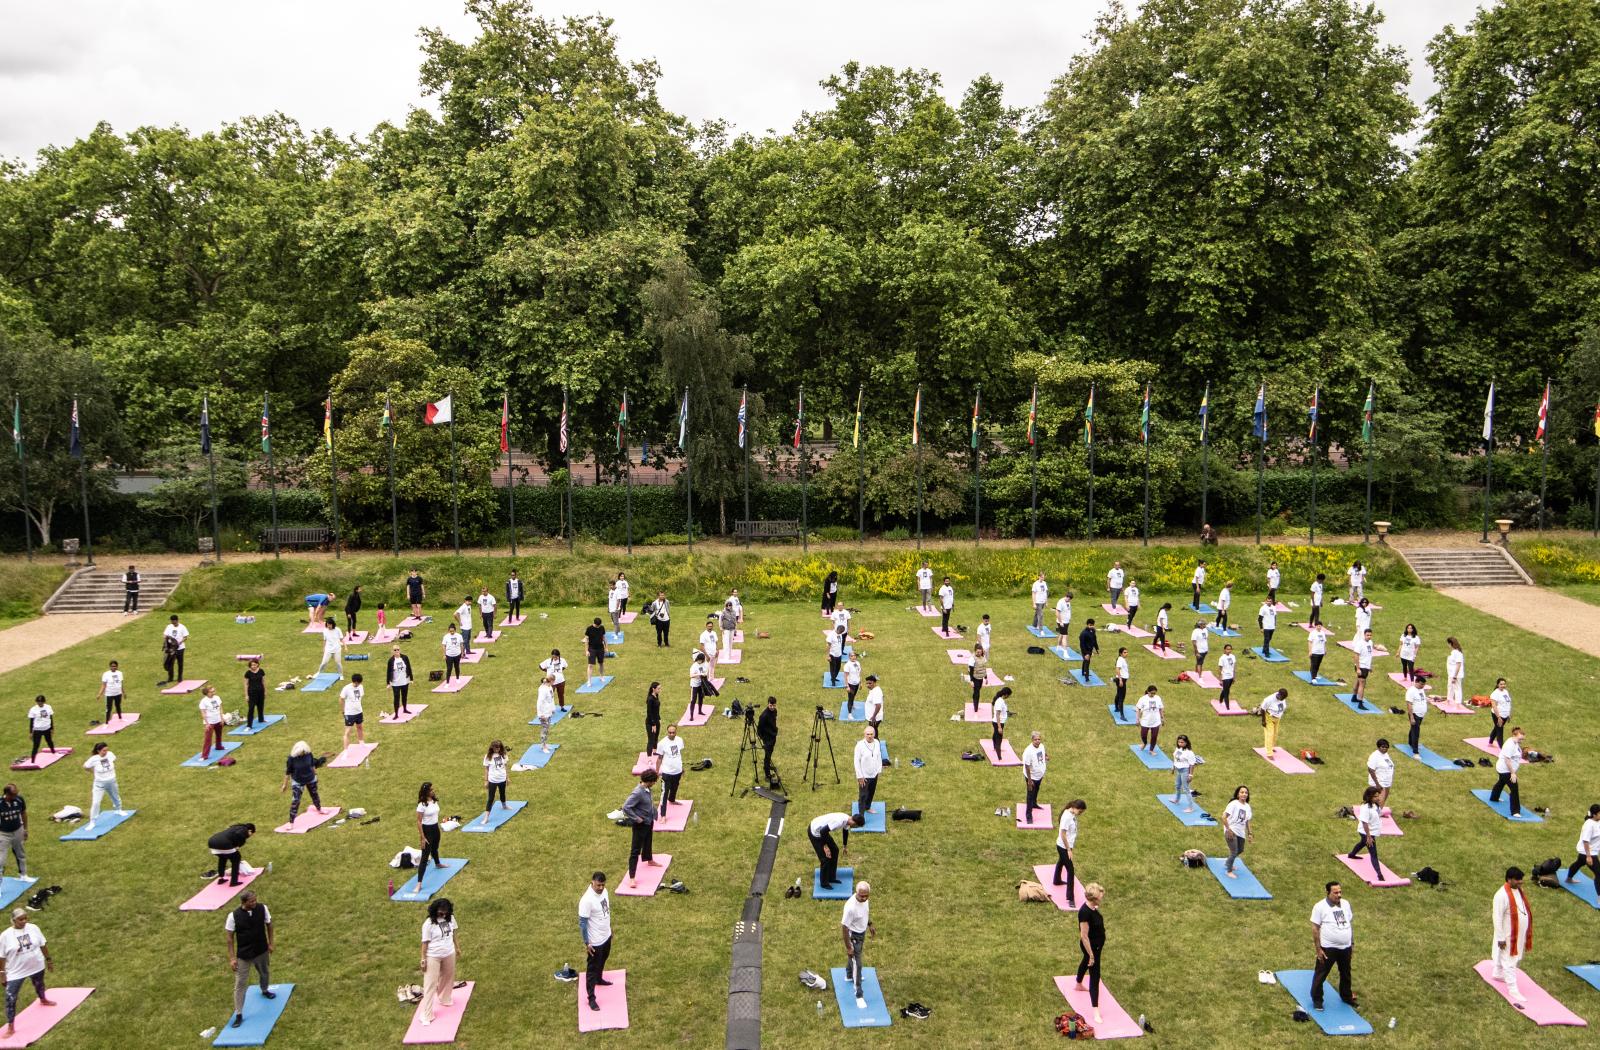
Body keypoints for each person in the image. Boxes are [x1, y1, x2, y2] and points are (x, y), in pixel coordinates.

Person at [0, 907, 54, 1038]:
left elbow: (42, 944)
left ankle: (43, 999)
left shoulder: (33, 928)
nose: (24, 921)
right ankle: (11, 1027)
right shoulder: (5, 936)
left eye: (25, 918)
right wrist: (2, 973)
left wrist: (49, 960)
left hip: (36, 965)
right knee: (10, 997)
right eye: (20, 919)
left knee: (39, 984)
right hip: (15, 972)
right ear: (13, 920)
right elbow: (1, 956)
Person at [223, 891, 272, 1030]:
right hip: (244, 954)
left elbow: (269, 924)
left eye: (255, 900)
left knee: (264, 972)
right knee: (240, 983)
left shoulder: (263, 908)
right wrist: (232, 958)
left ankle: (265, 989)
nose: (254, 903)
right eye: (251, 901)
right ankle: (238, 1013)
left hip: (261, 949)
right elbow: (229, 938)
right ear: (243, 903)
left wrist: (271, 943)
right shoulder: (233, 916)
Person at [1310, 881, 1355, 1011]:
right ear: (1328, 892)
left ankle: (1347, 997)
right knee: (1321, 974)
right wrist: (1318, 949)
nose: (1339, 895)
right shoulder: (1320, 907)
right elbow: (1315, 928)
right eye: (1335, 892)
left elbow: (1349, 925)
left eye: (1340, 892)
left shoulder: (1345, 904)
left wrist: (1351, 944)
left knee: (1346, 974)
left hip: (1345, 947)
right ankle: (1317, 1000)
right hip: (1328, 948)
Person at [1491, 867, 1532, 1002]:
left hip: (1518, 934)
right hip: (1508, 935)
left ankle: (1497, 973)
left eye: (1521, 879)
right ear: (1509, 880)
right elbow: (1497, 917)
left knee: (1510, 957)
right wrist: (1501, 938)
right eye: (1517, 880)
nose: (1521, 882)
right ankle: (1513, 990)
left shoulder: (1518, 891)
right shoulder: (1501, 895)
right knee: (1510, 961)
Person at [1072, 884, 1109, 1026]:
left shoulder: (1092, 908)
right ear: (1093, 899)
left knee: (1085, 961)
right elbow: (1084, 936)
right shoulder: (1084, 913)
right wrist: (1092, 955)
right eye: (1100, 896)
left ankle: (1078, 983)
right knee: (1095, 976)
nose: (1102, 898)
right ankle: (1096, 1011)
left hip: (1096, 946)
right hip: (1092, 948)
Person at [418, 898, 459, 1026]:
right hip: (433, 956)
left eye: (446, 913)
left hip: (449, 952)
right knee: (430, 984)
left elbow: (454, 934)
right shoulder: (428, 924)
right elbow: (424, 943)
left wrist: (457, 947)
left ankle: (444, 998)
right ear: (435, 911)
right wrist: (423, 959)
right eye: (441, 913)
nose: (444, 915)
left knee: (448, 977)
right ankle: (426, 1014)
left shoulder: (450, 918)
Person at [578, 872, 614, 1012]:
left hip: (606, 936)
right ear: (592, 882)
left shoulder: (605, 891)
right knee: (592, 970)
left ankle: (599, 979)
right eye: (598, 885)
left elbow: (606, 912)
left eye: (603, 885)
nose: (601, 887)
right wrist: (587, 943)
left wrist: (610, 929)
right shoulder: (587, 900)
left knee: (604, 958)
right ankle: (591, 998)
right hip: (595, 941)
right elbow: (583, 923)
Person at [622, 770, 660, 889]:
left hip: (648, 822)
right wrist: (637, 819)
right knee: (635, 851)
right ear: (649, 781)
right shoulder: (638, 792)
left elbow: (648, 803)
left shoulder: (647, 789)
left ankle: (649, 859)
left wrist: (654, 812)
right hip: (640, 825)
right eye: (653, 781)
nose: (654, 783)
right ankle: (632, 878)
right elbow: (626, 807)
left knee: (648, 842)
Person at [808, 811, 864, 890]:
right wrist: (825, 847)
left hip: (823, 832)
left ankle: (831, 877)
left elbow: (845, 831)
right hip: (815, 832)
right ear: (854, 822)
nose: (854, 827)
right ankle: (824, 883)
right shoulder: (838, 821)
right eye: (856, 826)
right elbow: (822, 832)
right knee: (825, 858)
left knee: (835, 850)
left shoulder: (848, 820)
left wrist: (845, 846)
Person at [841, 881, 875, 1001]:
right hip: (853, 936)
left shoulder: (865, 900)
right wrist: (849, 947)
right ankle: (858, 993)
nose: (864, 898)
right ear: (857, 892)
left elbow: (865, 912)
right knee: (858, 965)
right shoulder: (851, 908)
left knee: (854, 959)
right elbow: (844, 928)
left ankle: (849, 975)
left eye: (866, 895)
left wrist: (869, 924)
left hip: (861, 933)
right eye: (861, 896)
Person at [281, 741, 324, 825]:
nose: (302, 754)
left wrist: (316, 775)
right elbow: (288, 772)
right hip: (298, 781)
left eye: (303, 752)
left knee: (314, 794)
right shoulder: (291, 759)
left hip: (310, 778)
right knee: (296, 801)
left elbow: (312, 766)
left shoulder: (308, 754)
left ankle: (319, 809)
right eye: (300, 752)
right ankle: (291, 822)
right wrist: (284, 785)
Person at [414, 783, 445, 894]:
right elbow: (418, 821)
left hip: (435, 828)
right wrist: (422, 837)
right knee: (425, 856)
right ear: (426, 792)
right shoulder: (422, 805)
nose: (433, 791)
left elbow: (434, 814)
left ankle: (437, 863)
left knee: (435, 848)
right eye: (431, 790)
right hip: (427, 831)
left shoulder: (434, 801)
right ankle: (419, 884)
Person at [82, 743, 123, 824]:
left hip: (112, 781)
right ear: (98, 751)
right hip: (99, 784)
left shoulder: (110, 754)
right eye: (104, 750)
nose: (106, 752)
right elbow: (85, 766)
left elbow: (113, 760)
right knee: (96, 802)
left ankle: (118, 810)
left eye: (107, 750)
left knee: (115, 797)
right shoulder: (94, 759)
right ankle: (92, 821)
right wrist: (93, 772)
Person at [1348, 786, 1383, 880]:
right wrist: (1368, 837)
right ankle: (1380, 875)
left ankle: (1351, 854)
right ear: (1369, 796)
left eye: (1378, 796)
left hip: (1371, 832)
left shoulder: (1375, 804)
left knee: (1362, 843)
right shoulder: (1366, 808)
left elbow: (1378, 813)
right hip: (1366, 833)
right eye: (1375, 796)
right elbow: (1364, 822)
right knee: (1373, 854)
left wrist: (1378, 804)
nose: (1378, 798)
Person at [1054, 799, 1086, 900]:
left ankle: (1057, 880)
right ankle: (1070, 897)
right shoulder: (1067, 817)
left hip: (1066, 846)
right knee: (1070, 870)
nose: (1080, 814)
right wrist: (1068, 849)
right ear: (1075, 807)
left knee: (1061, 861)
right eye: (1080, 811)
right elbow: (1062, 834)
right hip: (1063, 847)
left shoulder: (1070, 812)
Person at [1489, 726, 1525, 816]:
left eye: (1522, 739)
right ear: (1514, 735)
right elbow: (1507, 760)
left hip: (1502, 769)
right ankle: (1515, 811)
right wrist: (1512, 773)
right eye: (1520, 739)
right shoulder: (1510, 745)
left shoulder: (1514, 741)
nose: (1521, 741)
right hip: (1505, 770)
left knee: (1501, 782)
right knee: (1514, 789)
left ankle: (1494, 797)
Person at [1222, 785, 1252, 878]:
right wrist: (1228, 829)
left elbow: (1247, 821)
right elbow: (1223, 817)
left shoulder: (1247, 807)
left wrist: (1250, 833)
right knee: (1234, 852)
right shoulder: (1233, 804)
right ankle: (1229, 871)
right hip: (1231, 830)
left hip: (1241, 832)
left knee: (1240, 850)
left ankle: (1228, 863)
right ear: (1238, 794)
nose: (1244, 794)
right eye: (1242, 792)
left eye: (1246, 792)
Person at [1565, 804, 1600, 885]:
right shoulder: (1589, 825)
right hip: (1588, 852)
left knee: (1578, 863)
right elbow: (1585, 841)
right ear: (1594, 815)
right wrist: (1588, 856)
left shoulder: (1597, 820)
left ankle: (1569, 879)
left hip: (1590, 851)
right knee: (1598, 874)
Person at [655, 724, 686, 811]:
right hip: (667, 772)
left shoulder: (680, 740)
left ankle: (672, 800)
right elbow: (659, 758)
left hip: (677, 771)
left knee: (675, 787)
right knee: (664, 793)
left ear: (676, 732)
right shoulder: (662, 743)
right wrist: (657, 772)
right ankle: (663, 814)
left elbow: (678, 755)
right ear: (667, 732)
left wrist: (681, 767)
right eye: (670, 732)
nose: (671, 734)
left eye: (673, 732)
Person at [854, 726, 883, 815]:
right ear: (864, 735)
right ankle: (861, 815)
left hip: (874, 774)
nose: (870, 736)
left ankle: (867, 807)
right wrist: (860, 776)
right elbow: (856, 761)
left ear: (874, 734)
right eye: (868, 734)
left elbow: (879, 756)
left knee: (871, 792)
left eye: (871, 734)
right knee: (863, 795)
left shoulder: (877, 742)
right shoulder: (859, 745)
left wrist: (879, 770)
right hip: (864, 776)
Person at [1021, 731, 1047, 823]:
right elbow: (1027, 766)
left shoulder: (1042, 746)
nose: (1037, 741)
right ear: (1032, 740)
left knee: (1036, 790)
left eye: (1039, 739)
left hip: (1039, 775)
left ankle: (1034, 804)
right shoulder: (1028, 751)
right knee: (1030, 795)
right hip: (1031, 777)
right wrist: (1029, 780)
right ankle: (1029, 816)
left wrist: (1046, 756)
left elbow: (1043, 753)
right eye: (1035, 739)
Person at [528, 674, 556, 753]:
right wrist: (540, 714)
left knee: (547, 729)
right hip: (544, 713)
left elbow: (551, 698)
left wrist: (553, 708)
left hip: (548, 712)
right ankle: (543, 746)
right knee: (544, 730)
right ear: (551, 681)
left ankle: (545, 744)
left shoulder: (549, 687)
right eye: (554, 681)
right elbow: (539, 702)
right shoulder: (543, 690)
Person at [0, 788, 24, 878]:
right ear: (7, 794)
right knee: (1, 859)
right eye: (14, 794)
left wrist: (25, 829)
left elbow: (23, 813)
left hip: (17, 830)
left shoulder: (19, 799)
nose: (16, 796)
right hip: (3, 834)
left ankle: (23, 875)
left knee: (20, 854)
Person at [339, 674, 366, 751]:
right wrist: (343, 711)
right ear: (355, 682)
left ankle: (362, 744)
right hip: (349, 714)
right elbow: (341, 699)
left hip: (359, 712)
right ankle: (345, 751)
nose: (359, 684)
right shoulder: (346, 688)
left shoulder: (361, 687)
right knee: (347, 732)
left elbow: (360, 697)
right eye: (358, 683)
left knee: (360, 727)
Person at [1172, 735, 1198, 811]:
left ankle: (1191, 807)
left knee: (1186, 788)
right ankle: (1176, 800)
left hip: (1185, 770)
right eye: (1179, 742)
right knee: (1177, 785)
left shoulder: (1189, 753)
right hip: (1178, 770)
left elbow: (1192, 764)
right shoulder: (1178, 748)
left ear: (1186, 743)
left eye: (1182, 742)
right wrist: (1173, 767)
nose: (1180, 743)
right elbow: (1175, 758)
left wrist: (1190, 775)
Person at [24, 696, 54, 764]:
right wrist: (31, 732)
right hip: (38, 730)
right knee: (36, 745)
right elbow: (31, 721)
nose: (39, 703)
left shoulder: (48, 707)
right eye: (38, 702)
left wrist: (52, 728)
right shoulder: (33, 709)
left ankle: (53, 752)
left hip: (47, 728)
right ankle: (32, 761)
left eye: (41, 702)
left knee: (49, 741)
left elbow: (51, 718)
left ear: (44, 701)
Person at [1366, 739, 1394, 811]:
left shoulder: (1386, 755)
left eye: (1386, 747)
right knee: (1379, 801)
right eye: (1383, 747)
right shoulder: (1375, 756)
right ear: (1378, 747)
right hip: (1379, 782)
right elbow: (1370, 770)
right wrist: (1377, 784)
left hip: (1386, 782)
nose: (1385, 749)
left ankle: (1377, 814)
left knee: (1382, 801)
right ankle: (1374, 816)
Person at [198, 685, 224, 760]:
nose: (214, 693)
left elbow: (220, 708)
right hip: (210, 722)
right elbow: (203, 713)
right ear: (207, 693)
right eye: (212, 692)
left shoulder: (217, 697)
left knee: (219, 734)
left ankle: (219, 746)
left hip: (218, 720)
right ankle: (204, 755)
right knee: (208, 739)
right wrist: (207, 723)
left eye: (214, 691)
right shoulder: (203, 701)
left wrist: (222, 718)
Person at [386, 646, 413, 717]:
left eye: (398, 649)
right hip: (395, 683)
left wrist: (411, 679)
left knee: (404, 696)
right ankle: (396, 714)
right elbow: (388, 672)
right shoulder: (391, 660)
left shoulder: (405, 657)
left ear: (400, 650)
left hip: (405, 681)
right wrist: (388, 683)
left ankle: (405, 709)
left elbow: (409, 667)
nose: (397, 651)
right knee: (396, 698)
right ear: (392, 651)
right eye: (395, 650)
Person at [1351, 628, 1376, 707]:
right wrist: (1358, 668)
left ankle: (1354, 697)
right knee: (1362, 684)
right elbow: (1356, 656)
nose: (1369, 636)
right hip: (1361, 666)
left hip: (1366, 666)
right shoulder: (1360, 643)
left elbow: (1369, 655)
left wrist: (1370, 666)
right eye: (1367, 635)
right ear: (1364, 635)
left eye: (1370, 635)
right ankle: (1360, 703)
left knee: (1358, 681)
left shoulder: (1370, 643)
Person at [1135, 686, 1163, 753]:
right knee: (1143, 735)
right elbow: (1138, 709)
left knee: (1154, 736)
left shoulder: (1158, 698)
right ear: (1148, 692)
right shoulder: (1143, 699)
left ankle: (1151, 750)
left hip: (1156, 721)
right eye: (1151, 693)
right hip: (1145, 721)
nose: (1153, 695)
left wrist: (1162, 718)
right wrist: (1137, 719)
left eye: (1154, 693)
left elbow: (1161, 708)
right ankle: (1144, 743)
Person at [757, 699, 778, 785]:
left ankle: (768, 767)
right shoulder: (763, 716)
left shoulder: (775, 711)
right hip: (767, 739)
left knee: (770, 754)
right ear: (768, 704)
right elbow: (759, 729)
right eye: (770, 705)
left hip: (773, 736)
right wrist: (763, 739)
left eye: (773, 705)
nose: (772, 707)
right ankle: (767, 774)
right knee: (767, 756)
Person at [162, 614, 189, 683]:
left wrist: (179, 643)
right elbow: (165, 635)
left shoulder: (182, 627)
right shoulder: (169, 626)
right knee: (170, 663)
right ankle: (170, 678)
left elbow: (185, 637)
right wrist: (166, 639)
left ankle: (180, 677)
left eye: (174, 622)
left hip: (180, 648)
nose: (173, 623)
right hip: (171, 649)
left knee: (180, 663)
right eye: (172, 622)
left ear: (177, 620)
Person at [97, 659, 125, 724]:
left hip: (118, 693)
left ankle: (120, 718)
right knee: (108, 708)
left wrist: (123, 692)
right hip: (109, 694)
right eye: (112, 666)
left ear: (117, 666)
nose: (113, 667)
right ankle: (106, 722)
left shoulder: (120, 673)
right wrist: (99, 694)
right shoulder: (106, 674)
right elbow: (103, 685)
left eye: (115, 666)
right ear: (110, 667)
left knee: (118, 706)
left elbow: (121, 684)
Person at [483, 741, 509, 813]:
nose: (497, 750)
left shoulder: (504, 755)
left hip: (502, 779)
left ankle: (504, 806)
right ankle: (486, 816)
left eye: (498, 748)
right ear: (492, 748)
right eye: (495, 748)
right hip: (492, 780)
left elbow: (505, 767)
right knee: (491, 798)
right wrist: (486, 781)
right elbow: (486, 769)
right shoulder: (488, 756)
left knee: (502, 794)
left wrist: (507, 778)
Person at [1405, 673, 1428, 753]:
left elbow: (1422, 699)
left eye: (1424, 684)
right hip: (1415, 714)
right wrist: (1411, 717)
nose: (1423, 686)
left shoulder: (1421, 689)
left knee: (1413, 729)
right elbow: (1409, 704)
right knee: (1416, 732)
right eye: (1421, 684)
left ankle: (1410, 742)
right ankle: (1415, 751)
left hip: (1421, 714)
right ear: (1416, 682)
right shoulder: (1411, 691)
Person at [1260, 688, 1288, 753]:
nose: (1283, 699)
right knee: (1270, 735)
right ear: (1279, 695)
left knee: (1275, 734)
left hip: (1277, 719)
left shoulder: (1282, 697)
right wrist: (1263, 721)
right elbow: (1262, 709)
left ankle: (1271, 747)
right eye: (1283, 698)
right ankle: (1269, 753)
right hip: (1269, 718)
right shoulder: (1269, 699)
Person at [243, 657, 267, 729]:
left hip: (260, 692)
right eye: (252, 665)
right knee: (251, 708)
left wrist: (265, 691)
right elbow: (246, 684)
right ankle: (249, 725)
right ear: (250, 666)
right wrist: (246, 695)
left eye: (255, 665)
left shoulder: (261, 671)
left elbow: (263, 682)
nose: (253, 666)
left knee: (260, 706)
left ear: (257, 664)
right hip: (252, 693)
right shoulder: (248, 673)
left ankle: (261, 719)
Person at [1488, 678, 1512, 748]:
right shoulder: (1495, 694)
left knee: (1497, 728)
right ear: (1498, 684)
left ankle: (1490, 741)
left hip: (1505, 715)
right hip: (1497, 715)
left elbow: (1508, 703)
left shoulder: (1505, 691)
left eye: (1504, 684)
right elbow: (1494, 706)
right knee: (1500, 731)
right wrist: (1498, 717)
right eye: (1501, 684)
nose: (1503, 685)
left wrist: (1508, 714)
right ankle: (1502, 748)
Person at [584, 618, 607, 683]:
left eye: (599, 625)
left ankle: (602, 677)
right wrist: (586, 650)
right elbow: (586, 640)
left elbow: (604, 638)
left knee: (601, 663)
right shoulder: (589, 629)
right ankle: (589, 680)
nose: (598, 626)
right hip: (592, 649)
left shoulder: (602, 627)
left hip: (600, 648)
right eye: (597, 626)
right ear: (594, 623)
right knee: (590, 665)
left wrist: (606, 647)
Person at [1445, 638, 1465, 709]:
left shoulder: (1458, 653)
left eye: (1448, 643)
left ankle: (1458, 704)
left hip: (1456, 675)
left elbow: (1458, 665)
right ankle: (1448, 700)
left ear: (1451, 644)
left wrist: (1455, 676)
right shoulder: (1453, 652)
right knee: (1450, 686)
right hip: (1451, 674)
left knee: (1457, 688)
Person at [689, 652, 710, 719]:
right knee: (693, 700)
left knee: (701, 698)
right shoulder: (694, 666)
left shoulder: (705, 664)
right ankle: (691, 716)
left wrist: (704, 675)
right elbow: (691, 675)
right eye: (698, 660)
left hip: (701, 684)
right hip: (694, 685)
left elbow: (706, 672)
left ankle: (700, 711)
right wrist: (698, 675)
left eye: (700, 660)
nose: (699, 661)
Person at [969, 645, 990, 711]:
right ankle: (976, 708)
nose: (979, 653)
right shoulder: (972, 659)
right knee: (977, 693)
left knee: (976, 691)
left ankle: (974, 701)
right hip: (975, 678)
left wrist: (986, 678)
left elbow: (984, 668)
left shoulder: (983, 658)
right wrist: (971, 681)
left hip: (981, 678)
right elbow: (971, 670)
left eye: (980, 652)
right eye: (977, 652)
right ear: (975, 651)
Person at [1111, 648, 1130, 720]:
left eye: (1127, 652)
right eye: (1125, 652)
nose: (1126, 653)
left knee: (1119, 694)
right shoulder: (1120, 660)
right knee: (1122, 697)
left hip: (1121, 680)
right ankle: (1122, 715)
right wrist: (1120, 680)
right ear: (1120, 653)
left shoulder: (1122, 659)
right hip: (1121, 680)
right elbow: (1117, 669)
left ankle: (1116, 707)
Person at [643, 682, 662, 756]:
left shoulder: (656, 695)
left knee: (656, 737)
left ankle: (654, 751)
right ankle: (649, 757)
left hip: (656, 720)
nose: (660, 690)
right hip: (650, 722)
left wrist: (659, 718)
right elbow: (649, 713)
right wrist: (653, 724)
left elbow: (656, 710)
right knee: (651, 740)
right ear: (653, 689)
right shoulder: (650, 699)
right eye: (658, 688)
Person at [991, 686, 1010, 755]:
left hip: (997, 722)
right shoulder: (999, 702)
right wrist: (999, 727)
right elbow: (997, 714)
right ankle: (999, 757)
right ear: (1006, 694)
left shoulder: (1000, 700)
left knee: (995, 734)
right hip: (998, 722)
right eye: (1008, 695)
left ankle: (995, 748)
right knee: (999, 739)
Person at [1217, 644, 1237, 708]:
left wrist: (1234, 677)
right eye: (1227, 649)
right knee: (1227, 692)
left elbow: (1234, 667)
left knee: (1226, 689)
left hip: (1231, 676)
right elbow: (1219, 669)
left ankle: (1220, 699)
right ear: (1224, 650)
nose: (1229, 650)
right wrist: (1220, 679)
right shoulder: (1222, 658)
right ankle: (1227, 707)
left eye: (1230, 649)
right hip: (1225, 677)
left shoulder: (1233, 656)